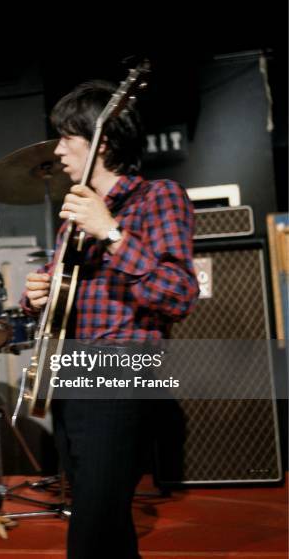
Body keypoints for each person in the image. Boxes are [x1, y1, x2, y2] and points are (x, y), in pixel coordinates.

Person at [22, 80, 199, 558]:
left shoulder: (158, 198)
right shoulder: (74, 214)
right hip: (72, 372)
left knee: (92, 532)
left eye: (66, 137)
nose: (57, 150)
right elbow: (61, 289)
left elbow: (180, 294)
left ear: (103, 142)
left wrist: (113, 234)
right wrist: (38, 291)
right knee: (105, 524)